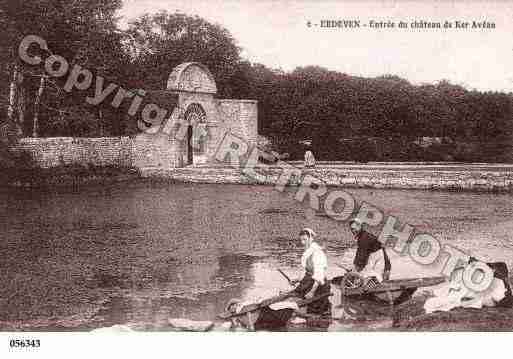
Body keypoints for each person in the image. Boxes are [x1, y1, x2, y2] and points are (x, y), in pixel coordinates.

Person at [291, 228, 331, 315]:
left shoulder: (317, 253)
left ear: (311, 238)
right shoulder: (308, 252)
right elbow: (306, 270)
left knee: (313, 309)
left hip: (318, 285)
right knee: (295, 295)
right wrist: (297, 279)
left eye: (305, 239)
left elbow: (319, 274)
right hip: (308, 281)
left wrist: (312, 292)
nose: (302, 242)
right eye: (301, 240)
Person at [348, 218, 391, 284]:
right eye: (351, 229)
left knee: (366, 276)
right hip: (377, 256)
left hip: (378, 257)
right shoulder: (363, 236)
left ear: (360, 227)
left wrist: (355, 268)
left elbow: (362, 256)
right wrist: (355, 266)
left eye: (354, 228)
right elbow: (360, 253)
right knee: (364, 274)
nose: (353, 231)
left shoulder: (364, 238)